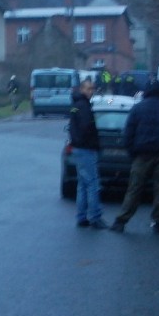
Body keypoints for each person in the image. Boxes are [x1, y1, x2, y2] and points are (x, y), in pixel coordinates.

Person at [110, 80, 159, 234]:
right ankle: (158, 221)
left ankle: (121, 221)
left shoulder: (137, 109)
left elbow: (128, 134)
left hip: (141, 154)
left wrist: (132, 152)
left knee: (134, 189)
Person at [68, 79, 108, 229]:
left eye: (92, 89)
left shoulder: (76, 105)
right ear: (82, 89)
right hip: (86, 149)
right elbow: (86, 128)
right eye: (88, 89)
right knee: (92, 184)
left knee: (83, 184)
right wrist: (93, 141)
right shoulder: (84, 106)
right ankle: (95, 217)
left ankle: (81, 216)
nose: (91, 91)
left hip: (78, 149)